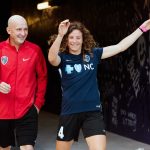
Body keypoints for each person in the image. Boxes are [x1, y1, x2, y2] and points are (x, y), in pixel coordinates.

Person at [48, 19, 150, 150]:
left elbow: (120, 47)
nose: (74, 41)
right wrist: (61, 34)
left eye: (78, 37)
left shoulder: (93, 54)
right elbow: (51, 58)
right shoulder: (62, 58)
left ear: (83, 39)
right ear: (66, 40)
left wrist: (141, 29)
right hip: (70, 112)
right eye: (71, 37)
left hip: (92, 112)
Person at [0, 15, 47, 150]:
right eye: (19, 29)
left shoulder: (35, 50)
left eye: (25, 29)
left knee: (27, 147)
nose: (23, 33)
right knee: (4, 147)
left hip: (27, 109)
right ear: (9, 30)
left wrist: (38, 104)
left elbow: (43, 77)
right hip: (2, 110)